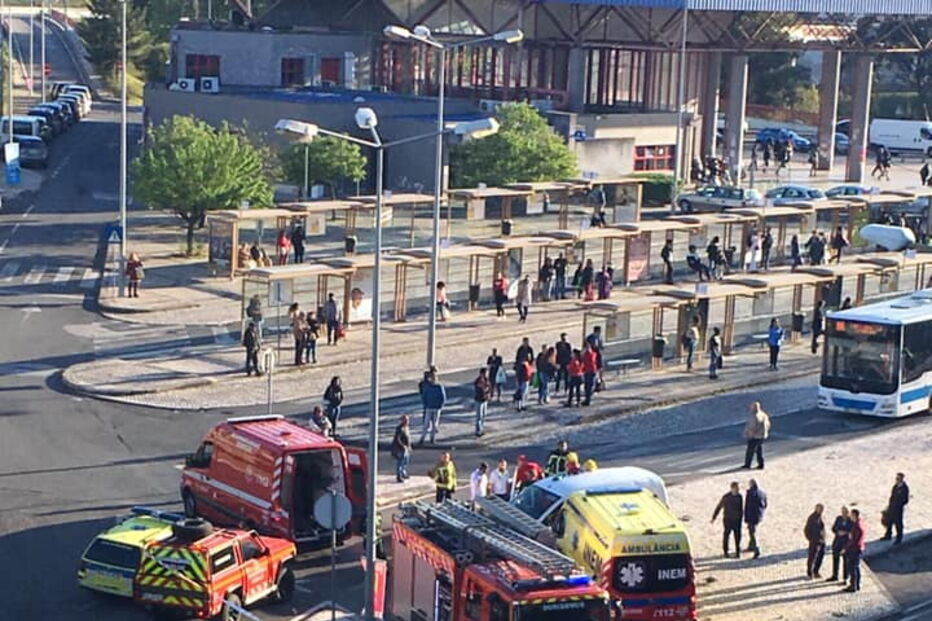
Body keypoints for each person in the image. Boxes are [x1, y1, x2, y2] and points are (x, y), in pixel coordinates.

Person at [712, 482, 743, 558]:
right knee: (726, 535)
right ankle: (725, 551)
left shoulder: (740, 497)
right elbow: (719, 507)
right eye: (736, 488)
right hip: (728, 520)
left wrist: (741, 518)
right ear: (732, 488)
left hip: (737, 520)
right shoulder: (726, 497)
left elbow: (741, 509)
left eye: (738, 488)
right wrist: (714, 517)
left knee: (738, 536)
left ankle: (738, 552)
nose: (738, 489)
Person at [420, 371, 447, 445]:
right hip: (429, 407)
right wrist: (426, 405)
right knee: (426, 424)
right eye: (432, 378)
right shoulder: (427, 387)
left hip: (436, 408)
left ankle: (432, 438)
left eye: (434, 378)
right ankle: (422, 438)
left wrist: (440, 405)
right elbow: (424, 397)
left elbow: (443, 397)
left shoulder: (439, 387)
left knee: (435, 424)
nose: (433, 379)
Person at [883, 472, 910, 544]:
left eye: (898, 478)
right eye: (896, 478)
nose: (897, 480)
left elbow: (906, 500)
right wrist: (889, 505)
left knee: (898, 523)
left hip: (898, 509)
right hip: (892, 507)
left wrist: (899, 505)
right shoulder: (895, 486)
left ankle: (899, 537)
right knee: (889, 521)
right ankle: (888, 535)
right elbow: (892, 497)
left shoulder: (904, 488)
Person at [828, 506, 853, 582]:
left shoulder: (851, 521)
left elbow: (853, 531)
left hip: (846, 542)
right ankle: (835, 575)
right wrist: (837, 532)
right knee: (835, 558)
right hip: (837, 541)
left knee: (846, 561)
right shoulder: (838, 518)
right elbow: (833, 528)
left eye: (846, 512)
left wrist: (845, 533)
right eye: (843, 512)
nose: (844, 514)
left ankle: (845, 577)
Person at [743, 401, 771, 469]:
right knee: (758, 450)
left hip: (754, 436)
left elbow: (752, 427)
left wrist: (748, 433)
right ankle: (761, 464)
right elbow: (768, 424)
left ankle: (748, 464)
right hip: (761, 436)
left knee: (750, 450)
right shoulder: (763, 414)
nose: (751, 408)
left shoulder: (755, 416)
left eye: (752, 406)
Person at [843, 509, 866, 592]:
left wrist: (845, 548)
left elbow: (853, 540)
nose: (850, 517)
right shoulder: (860, 523)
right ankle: (857, 584)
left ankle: (853, 585)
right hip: (858, 548)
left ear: (855, 516)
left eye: (851, 515)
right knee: (856, 567)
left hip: (854, 549)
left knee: (852, 567)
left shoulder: (857, 526)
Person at [744, 479, 767, 559]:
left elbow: (748, 506)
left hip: (752, 516)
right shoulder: (762, 493)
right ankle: (751, 546)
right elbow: (765, 504)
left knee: (752, 532)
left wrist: (746, 517)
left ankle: (757, 549)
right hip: (759, 516)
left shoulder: (750, 494)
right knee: (752, 530)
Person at [805, 504, 827, 579]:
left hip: (821, 541)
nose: (820, 511)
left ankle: (816, 571)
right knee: (812, 557)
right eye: (819, 509)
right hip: (814, 541)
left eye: (821, 509)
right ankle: (810, 573)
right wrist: (811, 539)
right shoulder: (812, 518)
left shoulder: (820, 517)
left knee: (820, 556)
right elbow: (806, 530)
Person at [391, 415, 412, 482]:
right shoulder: (400, 428)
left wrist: (409, 446)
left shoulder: (406, 428)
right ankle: (399, 476)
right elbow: (398, 439)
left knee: (405, 461)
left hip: (406, 448)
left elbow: (408, 438)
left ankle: (403, 473)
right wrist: (403, 446)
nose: (407, 421)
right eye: (405, 420)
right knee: (400, 462)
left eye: (407, 420)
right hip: (400, 448)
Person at [473, 368, 492, 437]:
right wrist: (486, 390)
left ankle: (481, 428)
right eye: (486, 373)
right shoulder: (479, 381)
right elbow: (481, 389)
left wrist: (489, 394)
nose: (487, 374)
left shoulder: (486, 380)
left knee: (484, 415)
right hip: (479, 400)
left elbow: (489, 388)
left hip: (484, 400)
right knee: (479, 416)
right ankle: (478, 431)